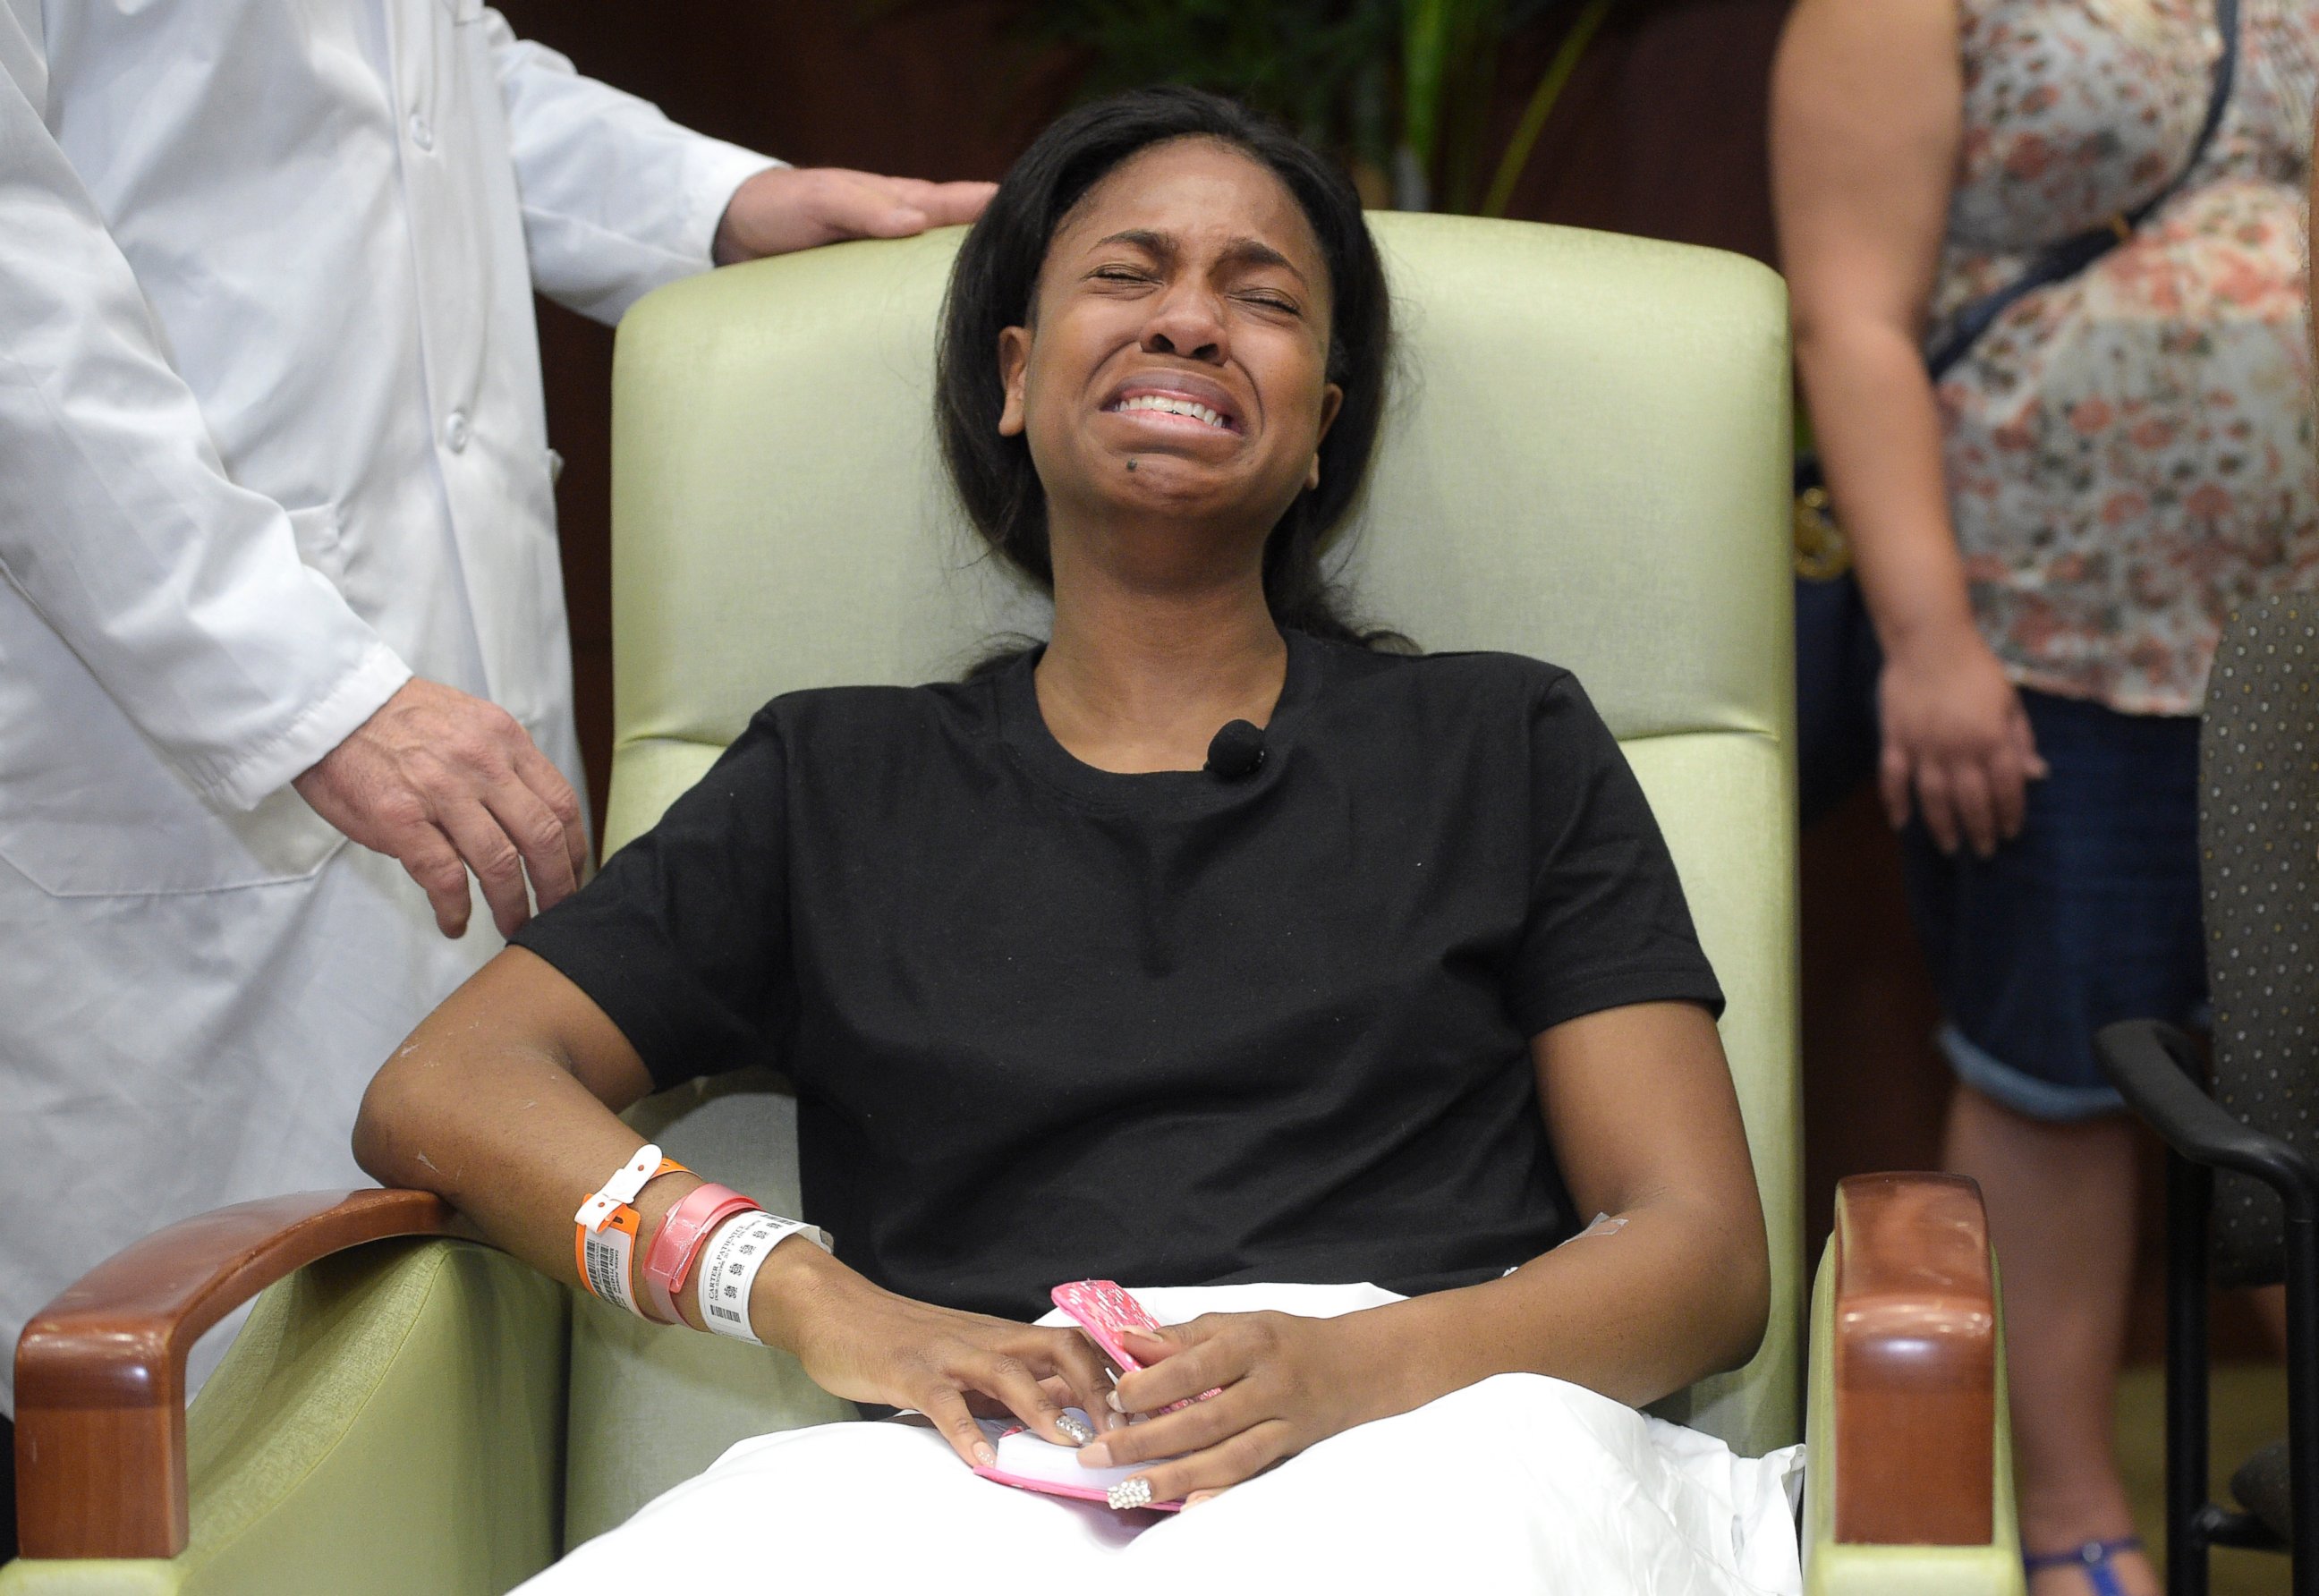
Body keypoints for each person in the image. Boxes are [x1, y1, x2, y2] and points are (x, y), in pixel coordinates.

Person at [353, 87, 1803, 1594]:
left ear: (1322, 428)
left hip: (1436, 1449)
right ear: (1015, 374)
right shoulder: (836, 779)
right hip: (968, 1483)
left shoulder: (1503, 744)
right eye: (1127, 273)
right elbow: (447, 1088)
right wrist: (809, 1295)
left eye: (1265, 297)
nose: (1188, 320)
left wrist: (1348, 1369)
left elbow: (1699, 1255)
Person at [0, 0, 992, 1456]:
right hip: (173, 708)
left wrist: (713, 201)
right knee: (177, 1445)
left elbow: (423, 81)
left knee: (437, 1406)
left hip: (417, 692)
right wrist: (308, 690)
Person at [1771, 2, 2318, 1591]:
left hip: (2285, 638)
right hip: (2041, 628)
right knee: (2059, 1076)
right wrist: (1933, 639)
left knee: (2306, 1078)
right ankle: (2079, 1523)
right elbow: (1852, 318)